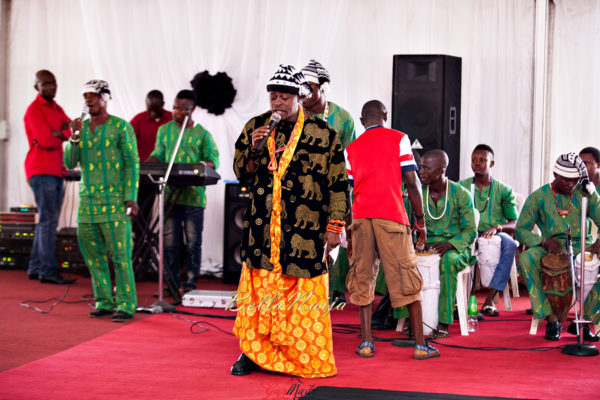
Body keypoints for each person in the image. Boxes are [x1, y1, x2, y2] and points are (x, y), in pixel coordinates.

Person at [230, 64, 349, 377]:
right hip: (261, 232)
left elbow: (338, 183)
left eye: (284, 97)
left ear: (300, 97)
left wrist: (335, 226)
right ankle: (251, 354)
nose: (277, 103)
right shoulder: (256, 126)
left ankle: (300, 356)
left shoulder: (324, 134)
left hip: (304, 233)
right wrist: (254, 148)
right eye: (273, 97)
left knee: (302, 296)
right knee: (257, 297)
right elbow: (241, 173)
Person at [345, 100, 439, 360]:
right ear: (385, 116)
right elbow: (412, 182)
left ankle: (366, 343)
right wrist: (420, 222)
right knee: (406, 277)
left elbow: (347, 193)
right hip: (392, 218)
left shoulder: (351, 148)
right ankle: (421, 346)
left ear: (362, 121)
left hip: (361, 219)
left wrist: (349, 233)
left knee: (362, 278)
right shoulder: (399, 138)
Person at [64, 80, 139, 322]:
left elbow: (131, 164)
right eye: (85, 96)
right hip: (87, 204)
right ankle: (104, 301)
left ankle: (126, 304)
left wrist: (131, 198)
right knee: (93, 255)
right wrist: (73, 137)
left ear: (105, 98)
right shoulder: (81, 129)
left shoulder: (121, 128)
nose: (88, 100)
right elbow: (69, 162)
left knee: (120, 255)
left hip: (115, 202)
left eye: (93, 96)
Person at [300, 59, 371, 307]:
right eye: (301, 87)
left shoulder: (342, 117)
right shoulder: (295, 115)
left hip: (335, 188)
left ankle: (336, 291)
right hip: (303, 189)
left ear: (323, 88)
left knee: (336, 237)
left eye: (309, 87)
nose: (303, 93)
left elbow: (352, 155)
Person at [516, 153, 600, 340]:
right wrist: (543, 241)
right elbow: (521, 230)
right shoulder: (539, 196)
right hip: (550, 245)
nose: (571, 184)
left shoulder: (586, 193)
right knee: (526, 259)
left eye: (574, 180)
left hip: (582, 246)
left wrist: (598, 242)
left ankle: (585, 321)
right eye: (566, 180)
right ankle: (551, 319)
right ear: (555, 175)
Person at [147, 90, 219, 293]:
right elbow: (158, 154)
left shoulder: (203, 134)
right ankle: (170, 284)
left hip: (194, 198)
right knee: (170, 244)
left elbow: (213, 159)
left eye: (181, 108)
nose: (176, 111)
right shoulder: (164, 131)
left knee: (192, 244)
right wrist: (145, 164)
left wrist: (201, 165)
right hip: (169, 195)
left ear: (192, 109)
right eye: (175, 107)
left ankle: (189, 284)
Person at [414, 150, 477, 339]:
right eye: (421, 166)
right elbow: (411, 225)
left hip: (456, 248)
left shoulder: (461, 194)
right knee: (404, 258)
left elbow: (470, 231)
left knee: (448, 261)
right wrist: (418, 240)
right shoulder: (417, 193)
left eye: (426, 167)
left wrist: (450, 244)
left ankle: (444, 321)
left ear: (441, 170)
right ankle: (410, 319)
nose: (421, 171)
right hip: (427, 246)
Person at [23, 70, 75, 284]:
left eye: (53, 82)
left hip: (56, 170)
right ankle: (48, 270)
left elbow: (72, 127)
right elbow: (46, 140)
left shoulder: (56, 108)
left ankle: (36, 267)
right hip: (40, 170)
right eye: (46, 83)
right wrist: (61, 132)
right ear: (37, 87)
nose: (52, 87)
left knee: (47, 220)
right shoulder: (35, 109)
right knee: (48, 221)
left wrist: (60, 132)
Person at [460, 144, 518, 317]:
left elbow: (515, 223)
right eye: (474, 160)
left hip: (496, 232)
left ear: (491, 163)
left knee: (510, 245)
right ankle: (460, 299)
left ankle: (490, 300)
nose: (477, 163)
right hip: (469, 232)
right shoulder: (461, 187)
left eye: (482, 160)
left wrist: (497, 227)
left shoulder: (504, 190)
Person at [130, 90, 173, 163]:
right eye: (150, 109)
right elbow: (127, 141)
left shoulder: (172, 118)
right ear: (146, 104)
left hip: (167, 165)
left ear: (163, 104)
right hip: (144, 165)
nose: (153, 113)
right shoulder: (138, 119)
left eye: (156, 110)